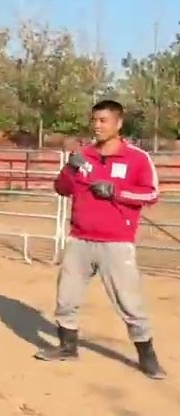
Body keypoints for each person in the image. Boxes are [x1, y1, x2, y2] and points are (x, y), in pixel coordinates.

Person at [42, 99, 165, 379]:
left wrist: (116, 191)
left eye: (103, 120)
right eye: (94, 120)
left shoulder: (137, 158)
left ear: (118, 124)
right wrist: (69, 169)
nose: (97, 126)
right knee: (66, 298)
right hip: (80, 240)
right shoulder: (84, 155)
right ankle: (67, 346)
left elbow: (151, 194)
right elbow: (61, 189)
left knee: (129, 303)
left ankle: (147, 355)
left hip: (116, 243)